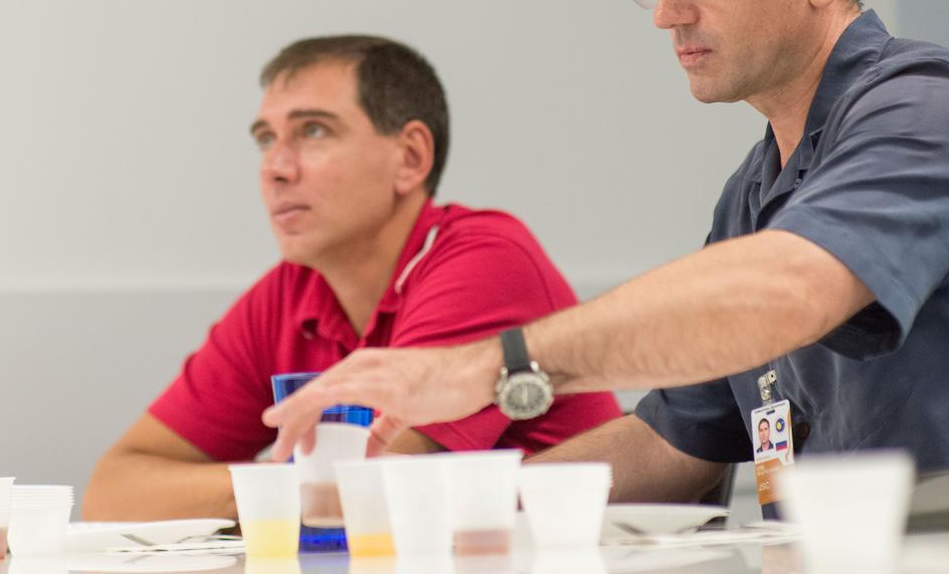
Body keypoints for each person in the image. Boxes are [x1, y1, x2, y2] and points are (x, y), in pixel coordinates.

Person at [264, 0, 949, 517]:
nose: (668, 13)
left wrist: (488, 368)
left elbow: (788, 288)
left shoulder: (931, 107)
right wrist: (429, 500)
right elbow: (669, 445)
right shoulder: (753, 193)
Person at [83, 35, 621, 519]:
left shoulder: (486, 261)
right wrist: (278, 488)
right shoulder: (288, 292)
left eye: (313, 131)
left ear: (410, 157)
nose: (276, 166)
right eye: (265, 138)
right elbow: (113, 490)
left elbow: (370, 492)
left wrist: (270, 492)